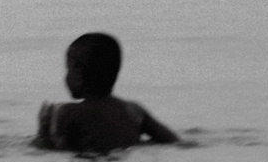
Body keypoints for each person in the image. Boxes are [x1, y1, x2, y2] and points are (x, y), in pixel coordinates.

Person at [36, 33, 179, 152]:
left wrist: (44, 132)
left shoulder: (68, 112)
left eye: (68, 69)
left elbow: (55, 150)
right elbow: (172, 141)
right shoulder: (133, 110)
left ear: (78, 74)